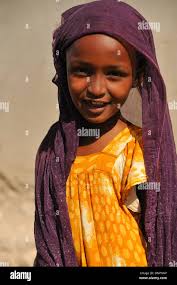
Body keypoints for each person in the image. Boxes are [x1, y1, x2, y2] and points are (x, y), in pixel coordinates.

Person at [34, 0, 177, 267]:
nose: (97, 88)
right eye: (82, 71)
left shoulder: (137, 150)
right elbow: (47, 238)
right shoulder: (53, 150)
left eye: (114, 74)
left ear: (136, 77)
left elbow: (160, 232)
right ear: (63, 71)